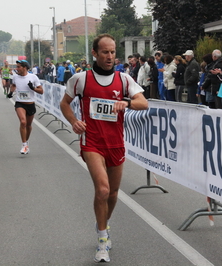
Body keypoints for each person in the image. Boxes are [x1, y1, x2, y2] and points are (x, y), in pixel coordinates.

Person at [60, 33, 148, 263]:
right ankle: (101, 240)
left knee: (114, 193)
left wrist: (127, 102)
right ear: (95, 53)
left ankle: (103, 224)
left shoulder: (124, 80)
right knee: (103, 190)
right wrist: (74, 122)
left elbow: (143, 103)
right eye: (105, 52)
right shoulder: (81, 79)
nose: (110, 57)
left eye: (112, 52)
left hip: (116, 142)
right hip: (93, 142)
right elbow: (65, 103)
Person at [7, 60, 43, 154]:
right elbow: (14, 85)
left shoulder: (33, 77)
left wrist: (33, 88)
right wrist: (11, 92)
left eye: (18, 67)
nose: (16, 68)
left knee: (29, 125)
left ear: (24, 67)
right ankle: (24, 145)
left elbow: (41, 91)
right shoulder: (15, 77)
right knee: (23, 122)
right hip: (20, 103)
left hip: (30, 103)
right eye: (16, 66)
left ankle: (26, 142)